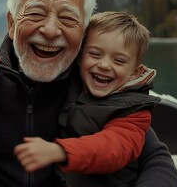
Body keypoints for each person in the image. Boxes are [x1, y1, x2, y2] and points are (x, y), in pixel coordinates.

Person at [0, 0, 177, 187]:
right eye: (36, 13)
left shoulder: (97, 87)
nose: (50, 30)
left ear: (83, 31)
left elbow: (153, 157)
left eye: (68, 18)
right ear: (11, 23)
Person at [14, 11, 161, 186]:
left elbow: (114, 148)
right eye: (95, 54)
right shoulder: (69, 83)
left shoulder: (135, 111)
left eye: (119, 61)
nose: (104, 65)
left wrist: (60, 151)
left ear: (134, 72)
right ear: (80, 56)